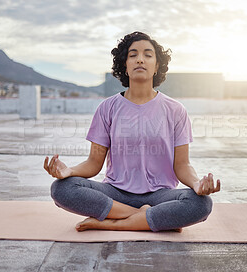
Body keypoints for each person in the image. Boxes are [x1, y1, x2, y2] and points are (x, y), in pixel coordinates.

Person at [44, 31, 220, 232]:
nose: (140, 60)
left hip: (160, 195)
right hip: (115, 193)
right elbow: (94, 163)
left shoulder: (175, 110)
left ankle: (112, 223)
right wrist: (69, 171)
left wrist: (197, 184)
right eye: (133, 54)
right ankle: (150, 218)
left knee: (201, 204)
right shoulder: (107, 108)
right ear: (124, 65)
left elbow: (182, 165)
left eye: (148, 54)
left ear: (157, 66)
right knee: (62, 189)